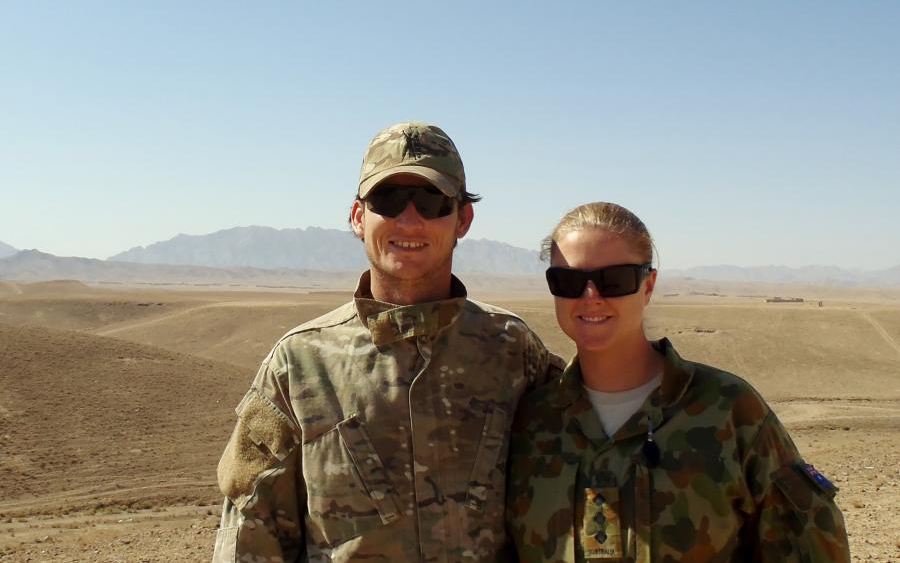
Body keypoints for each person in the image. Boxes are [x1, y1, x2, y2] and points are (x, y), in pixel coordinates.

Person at [213, 121, 561, 562]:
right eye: (388, 200)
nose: (409, 218)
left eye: (432, 201)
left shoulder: (513, 350)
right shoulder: (298, 364)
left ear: (463, 219)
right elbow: (251, 531)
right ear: (359, 217)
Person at [506, 202, 850, 562]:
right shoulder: (531, 422)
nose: (591, 297)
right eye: (569, 282)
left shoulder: (729, 412)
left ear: (648, 285)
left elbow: (812, 549)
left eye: (615, 280)